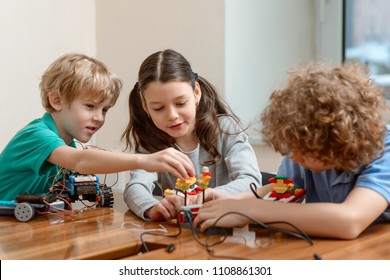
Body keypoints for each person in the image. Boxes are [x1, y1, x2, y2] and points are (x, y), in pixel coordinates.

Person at [194, 62, 390, 239]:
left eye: (303, 150)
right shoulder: (302, 148)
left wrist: (249, 209)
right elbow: (285, 188)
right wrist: (232, 201)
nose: (294, 157)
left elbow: (350, 221)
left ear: (336, 140)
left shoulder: (385, 149)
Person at [0, 53, 194, 201]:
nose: (99, 118)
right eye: (90, 106)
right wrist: (144, 160)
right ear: (57, 100)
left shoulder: (68, 148)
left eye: (105, 110)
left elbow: (78, 162)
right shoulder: (36, 135)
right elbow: (79, 161)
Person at [121, 49, 262, 221]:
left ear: (196, 93)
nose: (172, 115)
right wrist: (151, 207)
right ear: (145, 106)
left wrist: (212, 195)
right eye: (159, 108)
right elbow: (135, 186)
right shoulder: (150, 144)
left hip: (230, 230)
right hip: (184, 235)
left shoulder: (226, 129)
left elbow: (251, 181)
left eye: (180, 103)